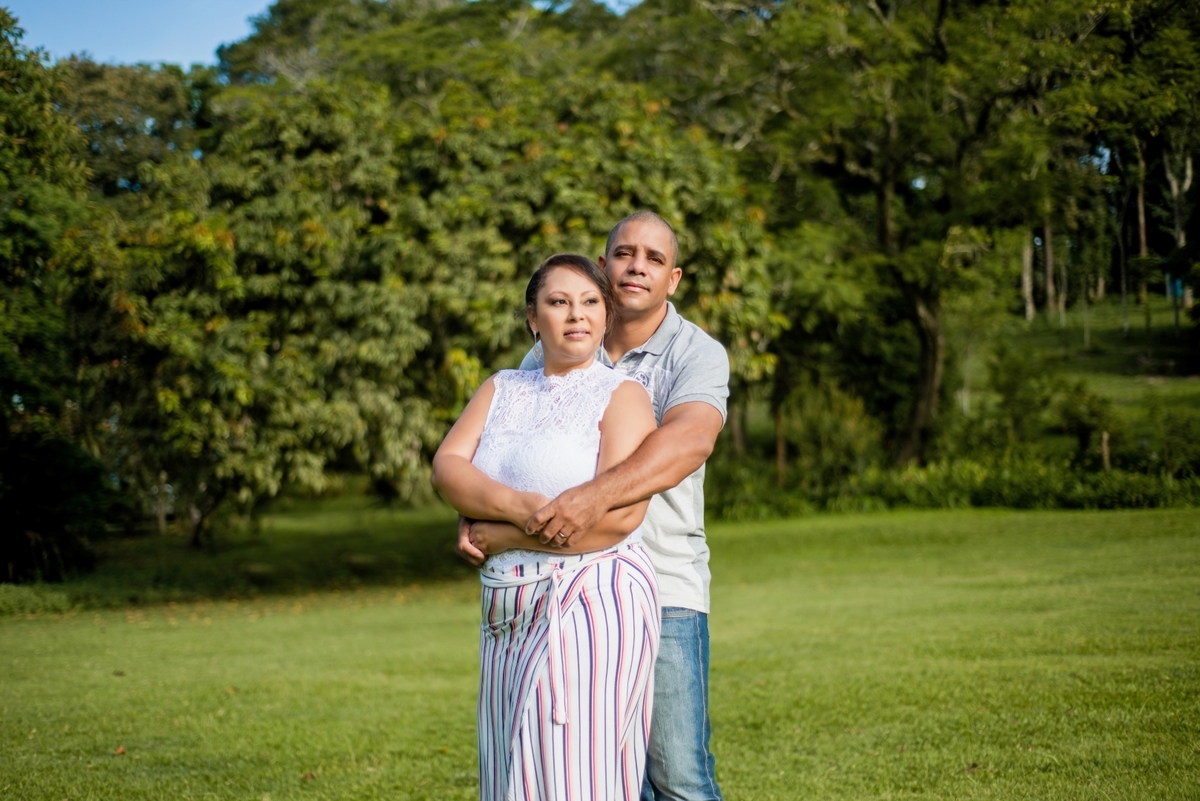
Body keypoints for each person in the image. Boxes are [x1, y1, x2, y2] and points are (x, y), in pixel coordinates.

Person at [458, 212, 729, 801]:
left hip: (665, 583)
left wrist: (582, 501)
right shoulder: (564, 343)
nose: (637, 266)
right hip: (554, 581)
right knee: (597, 772)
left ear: (674, 278)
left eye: (654, 259)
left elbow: (689, 440)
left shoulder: (695, 353)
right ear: (604, 267)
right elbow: (511, 441)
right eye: (625, 254)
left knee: (678, 776)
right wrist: (478, 505)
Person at [432, 253, 661, 801]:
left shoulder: (622, 395)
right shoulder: (501, 387)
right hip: (505, 610)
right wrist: (516, 505)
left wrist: (505, 534)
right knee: (510, 774)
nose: (575, 315)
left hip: (590, 602)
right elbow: (448, 469)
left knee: (573, 777)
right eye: (558, 302)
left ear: (606, 317)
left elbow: (620, 519)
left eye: (589, 303)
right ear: (533, 318)